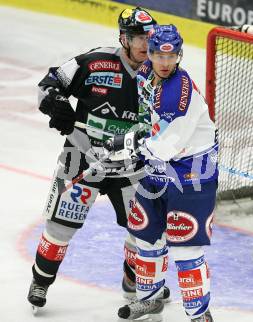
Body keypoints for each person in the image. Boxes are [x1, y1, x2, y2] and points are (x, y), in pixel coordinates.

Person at [27, 7, 171, 311]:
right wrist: (56, 106)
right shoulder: (95, 62)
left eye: (149, 37)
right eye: (137, 37)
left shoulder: (161, 75)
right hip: (81, 158)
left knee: (144, 230)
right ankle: (41, 281)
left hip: (130, 167)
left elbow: (173, 121)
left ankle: (135, 283)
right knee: (60, 229)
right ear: (124, 38)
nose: (145, 44)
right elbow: (47, 86)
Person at [107, 24, 218, 322]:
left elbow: (167, 146)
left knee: (185, 250)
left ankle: (199, 314)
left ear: (179, 56)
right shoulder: (144, 73)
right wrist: (135, 137)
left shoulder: (178, 94)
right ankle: (150, 300)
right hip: (155, 167)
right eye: (158, 56)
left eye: (172, 57)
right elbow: (147, 119)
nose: (165, 64)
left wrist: (129, 146)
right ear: (151, 54)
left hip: (189, 174)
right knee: (146, 237)